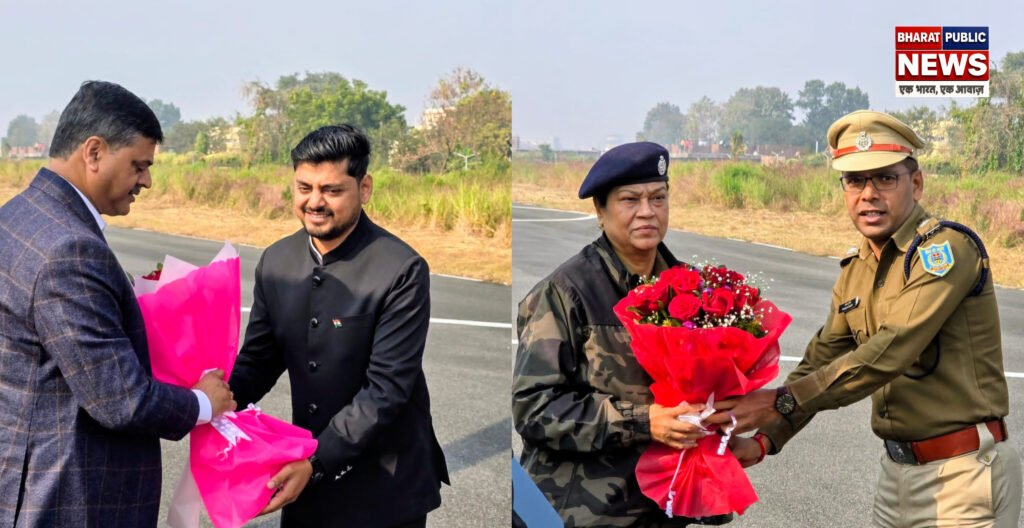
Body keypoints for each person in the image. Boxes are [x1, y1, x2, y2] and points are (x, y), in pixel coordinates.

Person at [714, 110, 1022, 527]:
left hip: (963, 475)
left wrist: (780, 400)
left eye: (885, 178)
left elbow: (891, 350)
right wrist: (766, 440)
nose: (869, 194)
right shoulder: (857, 269)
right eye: (855, 180)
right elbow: (819, 361)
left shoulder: (944, 252)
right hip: (896, 476)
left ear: (916, 183)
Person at [0, 80, 235, 527]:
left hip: (25, 470)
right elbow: (120, 399)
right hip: (69, 496)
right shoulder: (70, 249)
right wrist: (204, 402)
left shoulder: (19, 215)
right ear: (94, 152)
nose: (146, 181)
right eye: (138, 165)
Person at [229, 124, 449, 528]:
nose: (315, 202)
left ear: (364, 188)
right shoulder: (276, 262)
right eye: (304, 188)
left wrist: (316, 461)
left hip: (386, 485)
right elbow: (259, 359)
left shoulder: (401, 269)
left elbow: (386, 389)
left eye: (331, 190)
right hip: (307, 473)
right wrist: (212, 401)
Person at [512, 142, 732, 527]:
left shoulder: (693, 289)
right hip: (580, 512)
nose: (647, 211)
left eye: (658, 197)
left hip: (664, 507)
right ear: (600, 211)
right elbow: (534, 408)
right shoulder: (565, 293)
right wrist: (642, 421)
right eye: (630, 200)